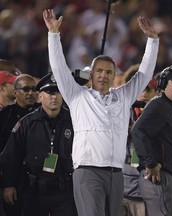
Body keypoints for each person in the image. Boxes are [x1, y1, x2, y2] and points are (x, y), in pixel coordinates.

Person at [43, 9, 159, 216]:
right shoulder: (77, 96)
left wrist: (152, 42)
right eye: (99, 71)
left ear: (115, 76)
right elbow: (59, 67)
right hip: (88, 171)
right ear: (91, 74)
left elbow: (144, 74)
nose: (103, 76)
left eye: (108, 72)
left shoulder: (123, 97)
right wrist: (53, 34)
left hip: (116, 173)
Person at [0, 73, 77, 216]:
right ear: (40, 96)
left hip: (65, 190)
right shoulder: (27, 123)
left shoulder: (74, 121)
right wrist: (8, 185)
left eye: (58, 92)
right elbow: (11, 155)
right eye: (49, 92)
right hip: (34, 190)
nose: (54, 97)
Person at [131, 66, 172, 216]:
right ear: (163, 84)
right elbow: (138, 131)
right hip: (160, 177)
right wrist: (151, 163)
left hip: (169, 178)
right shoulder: (159, 105)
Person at [0, 74, 39, 216]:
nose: (30, 93)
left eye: (34, 89)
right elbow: (6, 154)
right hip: (16, 180)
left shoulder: (44, 113)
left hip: (39, 182)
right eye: (26, 89)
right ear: (15, 92)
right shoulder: (5, 116)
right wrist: (7, 184)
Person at [121, 66, 158, 216]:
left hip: (148, 190)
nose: (144, 93)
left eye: (149, 89)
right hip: (122, 189)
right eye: (141, 89)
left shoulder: (161, 117)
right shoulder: (120, 114)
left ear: (156, 92)